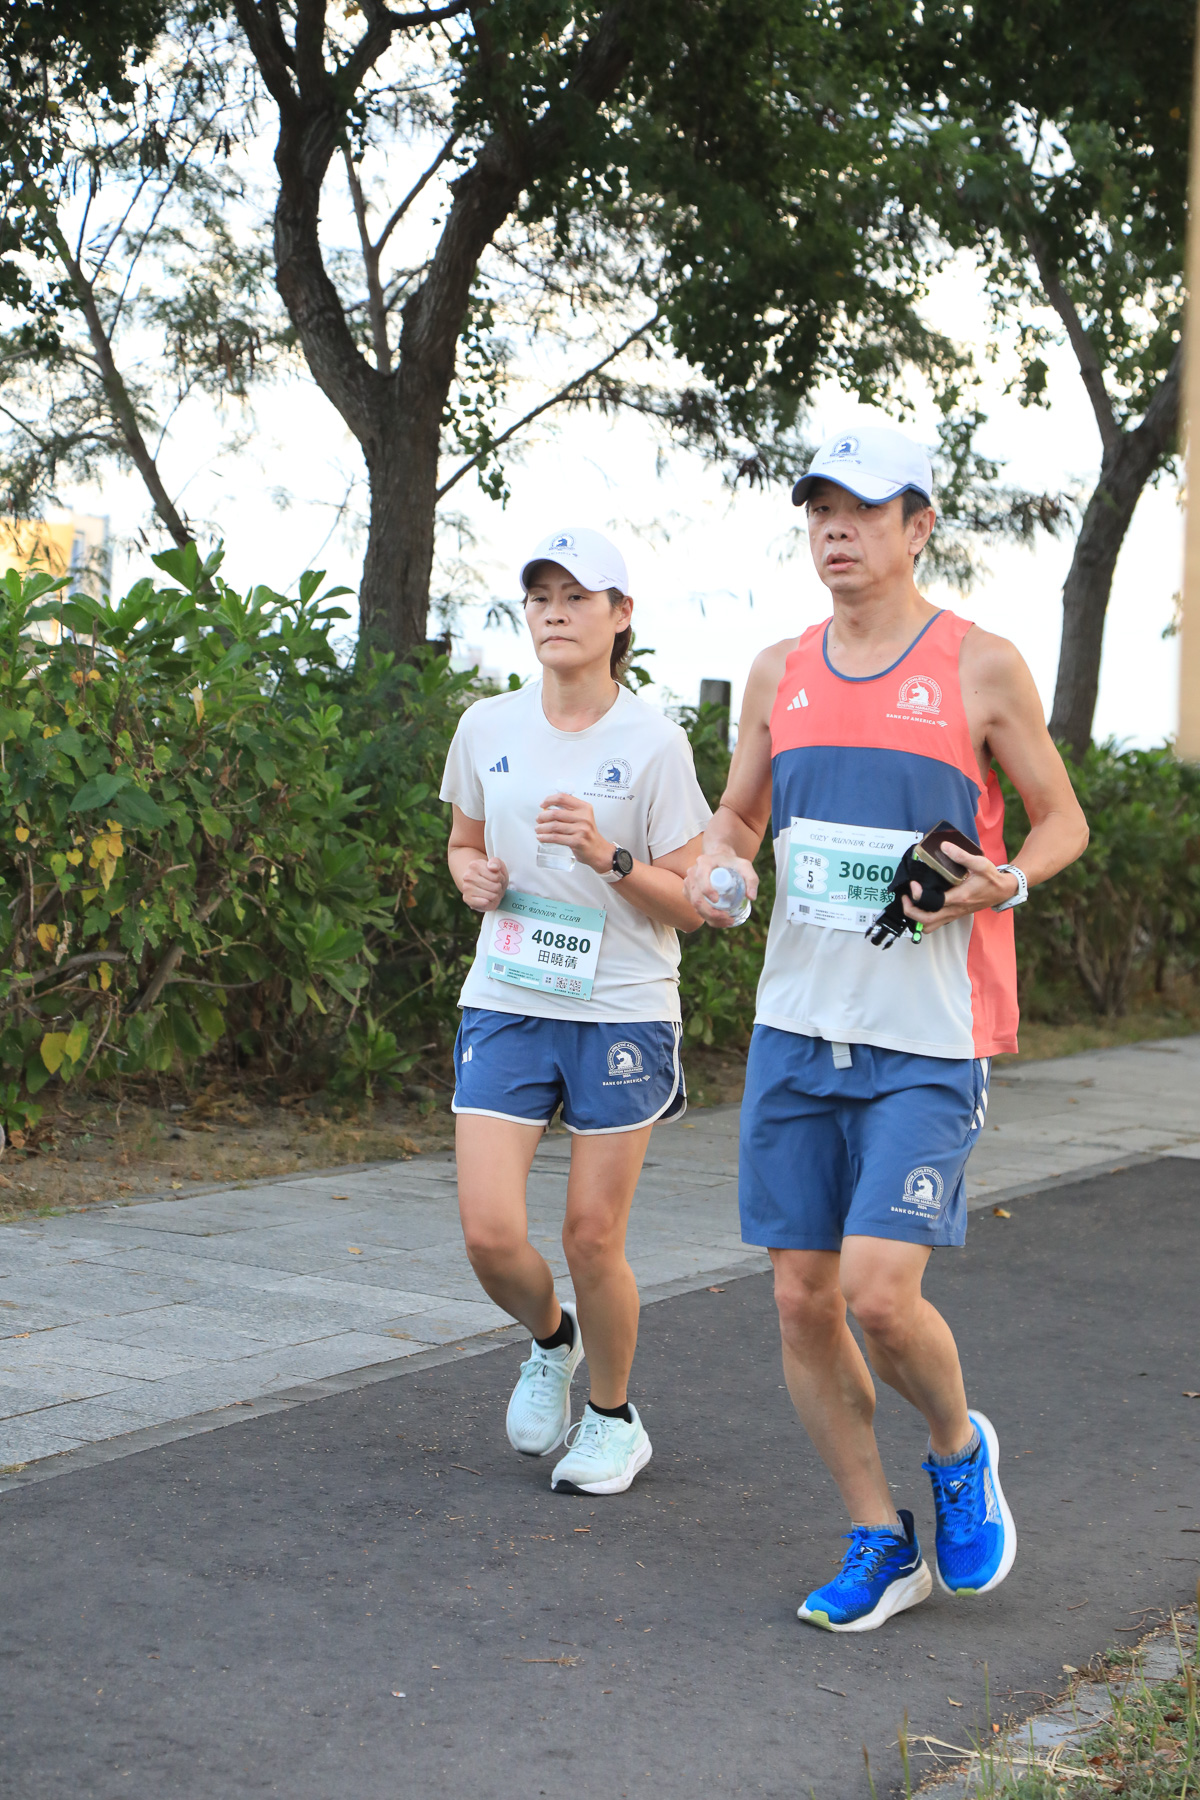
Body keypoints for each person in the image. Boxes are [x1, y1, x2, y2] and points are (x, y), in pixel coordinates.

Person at [684, 424, 1088, 1630]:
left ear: (919, 526)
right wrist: (720, 867)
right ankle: (879, 1539)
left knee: (876, 1293)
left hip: (927, 1039)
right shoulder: (778, 671)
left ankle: (959, 1450)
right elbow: (738, 819)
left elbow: (1061, 820)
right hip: (796, 1031)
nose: (837, 531)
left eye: (862, 511)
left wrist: (1006, 881)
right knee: (801, 1301)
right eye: (821, 510)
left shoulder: (981, 665)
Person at [440, 528, 711, 1495]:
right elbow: (462, 843)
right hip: (508, 995)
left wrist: (608, 856)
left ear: (620, 615)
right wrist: (470, 876)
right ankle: (552, 1339)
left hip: (621, 1010)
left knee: (591, 1236)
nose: (555, 613)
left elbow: (693, 904)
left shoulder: (655, 742)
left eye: (577, 597)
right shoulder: (487, 726)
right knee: (488, 1233)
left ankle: (612, 1418)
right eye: (540, 597)